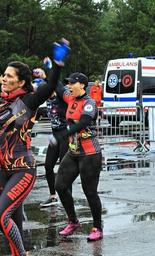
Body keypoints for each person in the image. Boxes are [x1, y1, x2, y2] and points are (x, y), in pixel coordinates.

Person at [0, 39, 68, 256]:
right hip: (3, 169)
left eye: (10, 76)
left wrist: (58, 64)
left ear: (20, 81)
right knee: (14, 219)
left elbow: (51, 83)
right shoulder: (1, 104)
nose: (5, 79)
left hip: (23, 169)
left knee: (0, 216)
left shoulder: (29, 100)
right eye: (4, 76)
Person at [54, 72, 104, 242]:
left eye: (72, 83)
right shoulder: (70, 99)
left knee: (90, 192)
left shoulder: (89, 103)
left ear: (82, 85)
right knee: (60, 186)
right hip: (74, 152)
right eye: (68, 83)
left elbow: (83, 123)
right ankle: (73, 221)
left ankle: (97, 227)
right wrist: (50, 70)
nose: (69, 86)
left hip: (90, 154)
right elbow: (58, 86)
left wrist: (62, 135)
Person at [39, 90, 70, 207]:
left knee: (64, 168)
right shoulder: (46, 101)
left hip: (65, 135)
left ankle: (68, 198)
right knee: (48, 166)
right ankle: (53, 197)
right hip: (54, 135)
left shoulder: (61, 100)